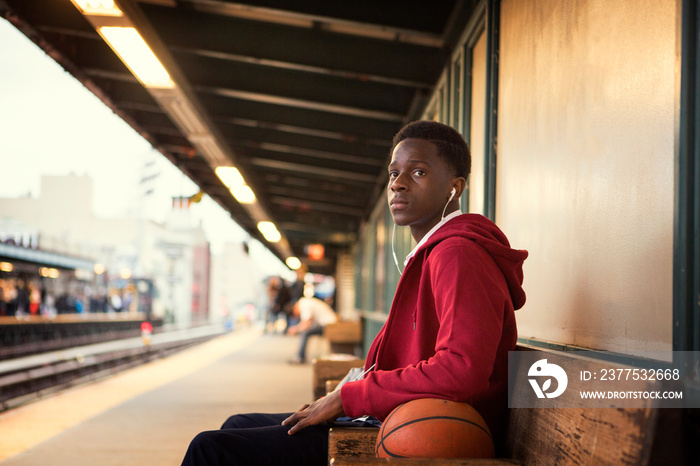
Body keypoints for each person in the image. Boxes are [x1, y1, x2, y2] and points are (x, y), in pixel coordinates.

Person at [180, 120, 527, 465]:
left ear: (455, 187)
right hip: (401, 417)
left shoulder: (458, 254)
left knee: (211, 449)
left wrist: (350, 398)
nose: (399, 185)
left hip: (433, 436)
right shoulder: (435, 253)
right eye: (394, 174)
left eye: (418, 172)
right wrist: (345, 394)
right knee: (236, 426)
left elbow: (461, 369)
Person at [287, 296, 338, 364]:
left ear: (294, 309)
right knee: (305, 332)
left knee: (305, 333)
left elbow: (306, 324)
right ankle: (300, 356)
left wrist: (295, 329)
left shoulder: (304, 305)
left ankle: (300, 357)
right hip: (327, 323)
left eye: (295, 315)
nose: (297, 316)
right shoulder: (305, 301)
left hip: (328, 325)